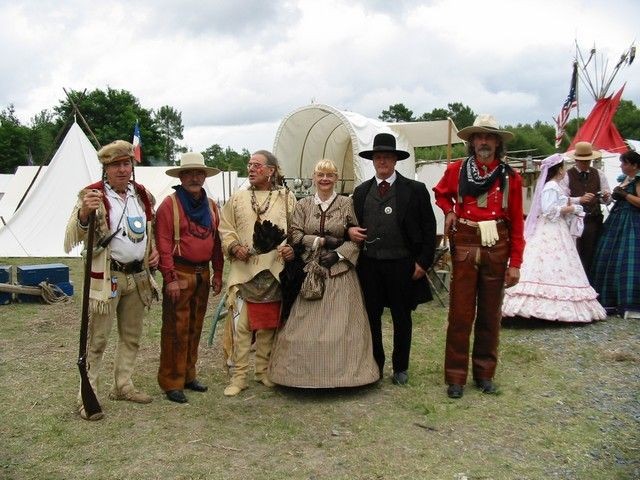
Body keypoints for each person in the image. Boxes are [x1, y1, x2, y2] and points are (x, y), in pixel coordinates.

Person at [64, 140, 159, 420]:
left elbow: (145, 229)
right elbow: (74, 233)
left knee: (132, 337)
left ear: (132, 165)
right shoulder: (92, 194)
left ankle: (123, 384)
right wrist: (84, 212)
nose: (122, 169)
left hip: (137, 276)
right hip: (108, 277)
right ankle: (87, 395)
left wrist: (150, 251)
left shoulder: (141, 195)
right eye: (115, 164)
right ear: (105, 168)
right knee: (98, 340)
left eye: (126, 163)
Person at [433, 114, 524, 399]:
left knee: (489, 313)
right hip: (465, 244)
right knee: (460, 313)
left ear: (497, 142)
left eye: (489, 137)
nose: (484, 142)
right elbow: (441, 194)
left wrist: (516, 264)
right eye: (479, 137)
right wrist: (449, 211)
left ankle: (485, 374)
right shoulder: (457, 170)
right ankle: (456, 377)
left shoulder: (512, 177)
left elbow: (518, 224)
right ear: (472, 142)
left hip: (498, 246)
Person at [268, 159, 379, 388]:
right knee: (303, 326)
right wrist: (320, 240)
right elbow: (295, 235)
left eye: (329, 175)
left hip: (340, 272)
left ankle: (346, 376)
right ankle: (300, 376)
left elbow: (356, 238)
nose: (325, 179)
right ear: (314, 178)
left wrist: (338, 255)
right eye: (321, 175)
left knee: (343, 326)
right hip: (310, 270)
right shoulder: (304, 205)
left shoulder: (347, 203)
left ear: (336, 178)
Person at [349, 133, 437, 386]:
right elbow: (350, 224)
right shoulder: (361, 191)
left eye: (387, 157)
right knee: (371, 317)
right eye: (378, 157)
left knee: (402, 317)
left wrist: (423, 262)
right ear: (373, 161)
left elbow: (429, 228)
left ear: (395, 160)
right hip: (370, 265)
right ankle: (375, 365)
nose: (383, 161)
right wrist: (349, 231)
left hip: (402, 263)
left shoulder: (415, 190)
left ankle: (400, 367)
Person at [218, 150, 297, 396]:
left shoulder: (286, 198)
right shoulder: (238, 198)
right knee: (242, 326)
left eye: (257, 165)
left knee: (268, 325)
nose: (251, 169)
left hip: (274, 269)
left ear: (271, 170)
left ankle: (262, 370)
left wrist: (290, 249)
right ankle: (239, 375)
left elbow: (296, 229)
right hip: (244, 271)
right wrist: (234, 247)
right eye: (249, 164)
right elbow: (225, 227)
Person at [502, 154, 607, 322]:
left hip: (556, 228)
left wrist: (574, 202)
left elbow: (561, 200)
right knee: (547, 260)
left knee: (556, 262)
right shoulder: (551, 185)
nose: (565, 170)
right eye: (563, 167)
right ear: (559, 169)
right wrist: (572, 209)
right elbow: (548, 210)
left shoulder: (554, 186)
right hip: (551, 228)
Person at [155, 152, 224, 403]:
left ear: (204, 177)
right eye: (189, 173)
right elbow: (163, 244)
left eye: (199, 173)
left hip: (202, 274)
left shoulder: (212, 206)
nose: (195, 178)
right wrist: (170, 278)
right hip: (180, 273)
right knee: (176, 328)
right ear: (181, 177)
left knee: (195, 326)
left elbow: (217, 243)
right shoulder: (169, 205)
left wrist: (218, 273)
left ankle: (188, 374)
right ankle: (171, 381)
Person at [591, 150, 640, 318]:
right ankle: (611, 299)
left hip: (632, 221)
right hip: (618, 219)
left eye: (624, 163)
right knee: (610, 256)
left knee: (629, 259)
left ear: (634, 165)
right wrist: (610, 197)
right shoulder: (626, 179)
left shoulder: (638, 180)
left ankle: (629, 301)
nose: (621, 166)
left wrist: (625, 195)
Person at [559, 141, 612, 280]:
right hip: (573, 220)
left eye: (588, 160)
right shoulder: (566, 176)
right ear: (576, 160)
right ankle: (574, 281)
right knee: (574, 253)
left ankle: (589, 282)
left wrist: (606, 197)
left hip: (593, 220)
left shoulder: (598, 174)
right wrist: (579, 199)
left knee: (591, 254)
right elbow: (561, 199)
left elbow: (607, 199)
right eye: (582, 161)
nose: (586, 163)